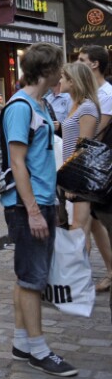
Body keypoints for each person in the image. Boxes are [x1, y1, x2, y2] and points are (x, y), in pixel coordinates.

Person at [2, 43, 78, 376]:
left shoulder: (38, 104)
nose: (62, 72)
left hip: (41, 200)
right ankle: (39, 350)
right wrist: (32, 210)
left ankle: (22, 343)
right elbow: (17, 162)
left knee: (27, 276)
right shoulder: (21, 106)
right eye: (59, 66)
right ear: (46, 70)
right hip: (28, 204)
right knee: (33, 279)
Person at [76, 45, 112, 292]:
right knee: (92, 223)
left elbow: (97, 133)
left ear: (94, 64)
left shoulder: (107, 94)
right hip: (86, 166)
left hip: (95, 168)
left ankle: (74, 282)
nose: (78, 62)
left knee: (84, 224)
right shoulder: (88, 93)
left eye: (81, 59)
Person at [59, 63, 100, 236]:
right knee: (89, 229)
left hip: (80, 178)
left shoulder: (87, 107)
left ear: (73, 81)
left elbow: (84, 148)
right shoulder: (75, 105)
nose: (59, 80)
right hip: (73, 175)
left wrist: (73, 183)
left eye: (63, 77)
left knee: (77, 229)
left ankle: (77, 263)